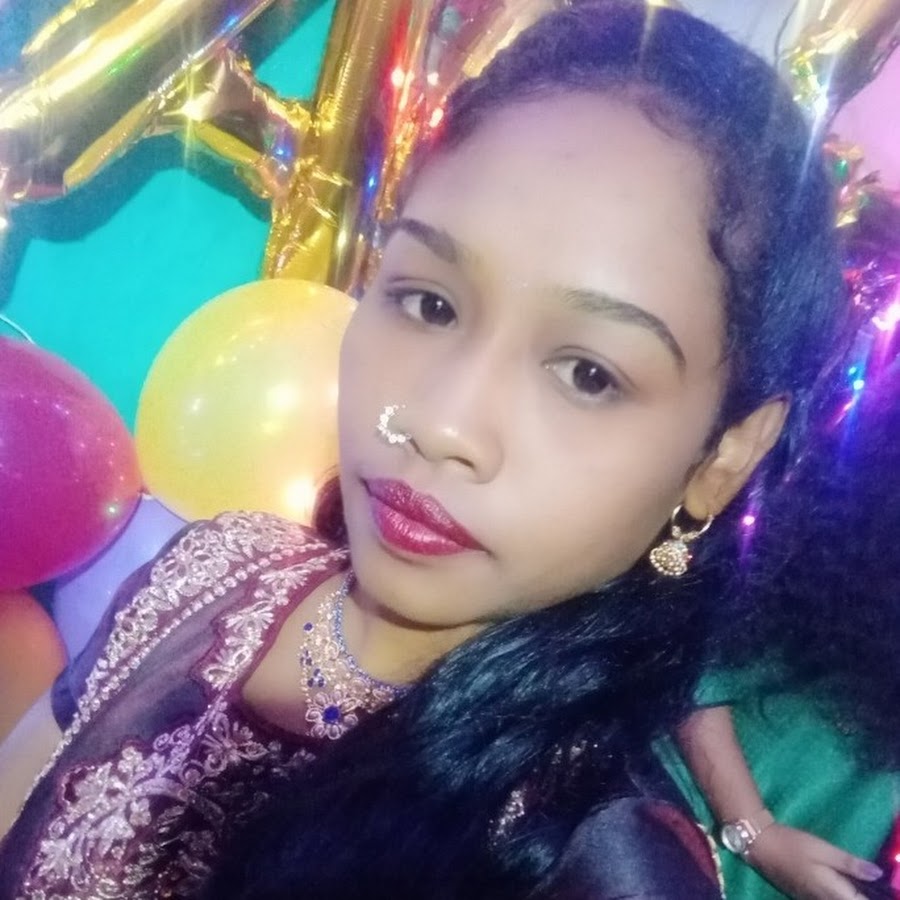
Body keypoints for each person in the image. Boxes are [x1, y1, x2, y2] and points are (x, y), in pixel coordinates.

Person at [0, 2, 850, 897]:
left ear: (723, 459)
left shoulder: (596, 869)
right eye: (429, 303)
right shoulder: (214, 566)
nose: (442, 422)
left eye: (588, 375)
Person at [663, 360, 900, 900]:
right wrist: (755, 832)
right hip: (690, 832)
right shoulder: (844, 531)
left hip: (832, 858)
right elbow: (694, 677)